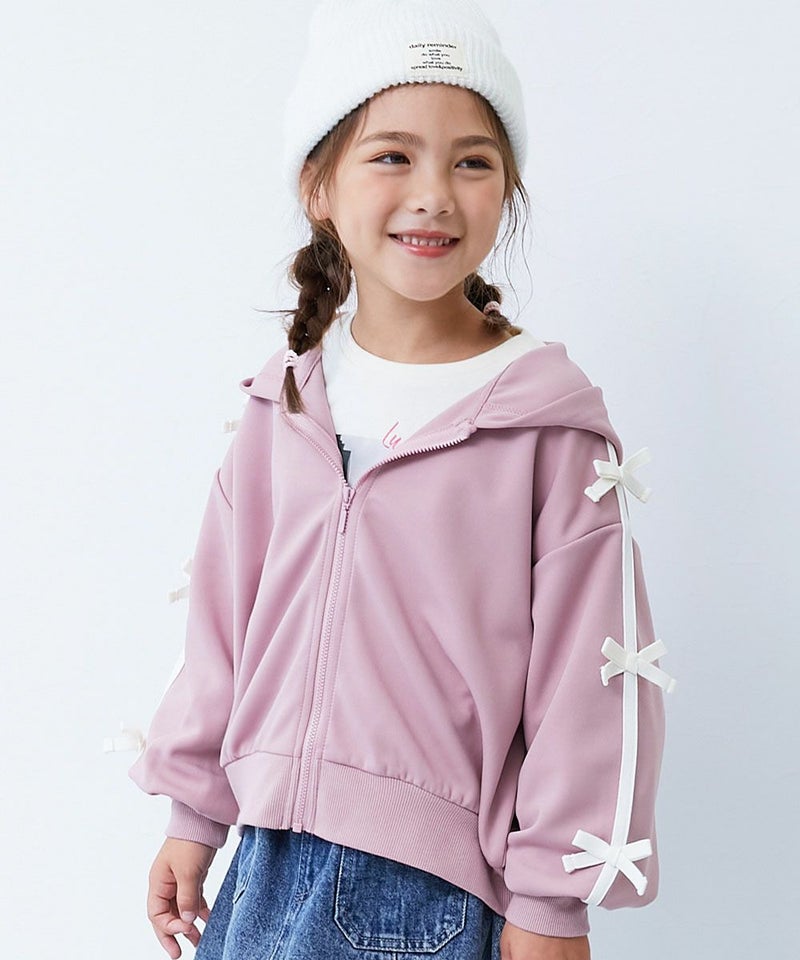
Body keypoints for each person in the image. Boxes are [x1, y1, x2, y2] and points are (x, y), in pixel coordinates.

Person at [128, 1, 672, 958]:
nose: (434, 194)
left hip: (425, 896)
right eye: (392, 156)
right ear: (319, 186)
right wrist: (194, 810)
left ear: (508, 189)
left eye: (473, 162)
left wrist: (551, 904)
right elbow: (224, 620)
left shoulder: (546, 425)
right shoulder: (286, 402)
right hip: (261, 863)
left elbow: (592, 678)